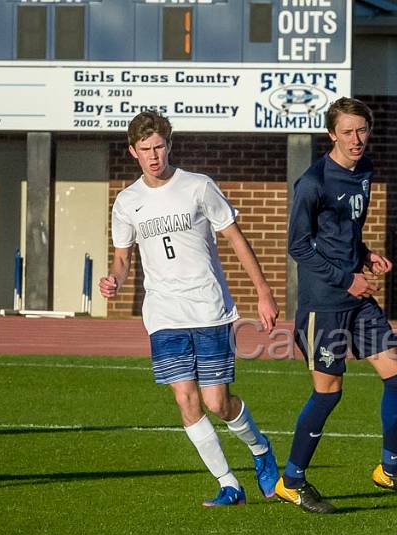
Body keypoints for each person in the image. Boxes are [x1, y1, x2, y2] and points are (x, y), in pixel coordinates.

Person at [99, 111, 280, 507]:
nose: (153, 155)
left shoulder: (199, 187)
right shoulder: (127, 202)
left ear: (170, 144)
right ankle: (229, 483)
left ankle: (261, 449)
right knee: (186, 399)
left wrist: (263, 291)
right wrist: (115, 279)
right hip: (164, 315)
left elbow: (235, 238)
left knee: (218, 403)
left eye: (159, 146)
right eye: (145, 149)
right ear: (133, 151)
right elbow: (122, 258)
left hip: (209, 310)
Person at [279, 96, 397, 514]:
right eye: (346, 131)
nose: (356, 138)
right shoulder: (312, 182)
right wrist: (348, 277)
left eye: (361, 129)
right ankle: (291, 480)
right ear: (331, 134)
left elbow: (344, 233)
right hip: (324, 302)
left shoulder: (364, 170)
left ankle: (390, 470)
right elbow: (298, 246)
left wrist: (365, 256)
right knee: (328, 394)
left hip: (358, 298)